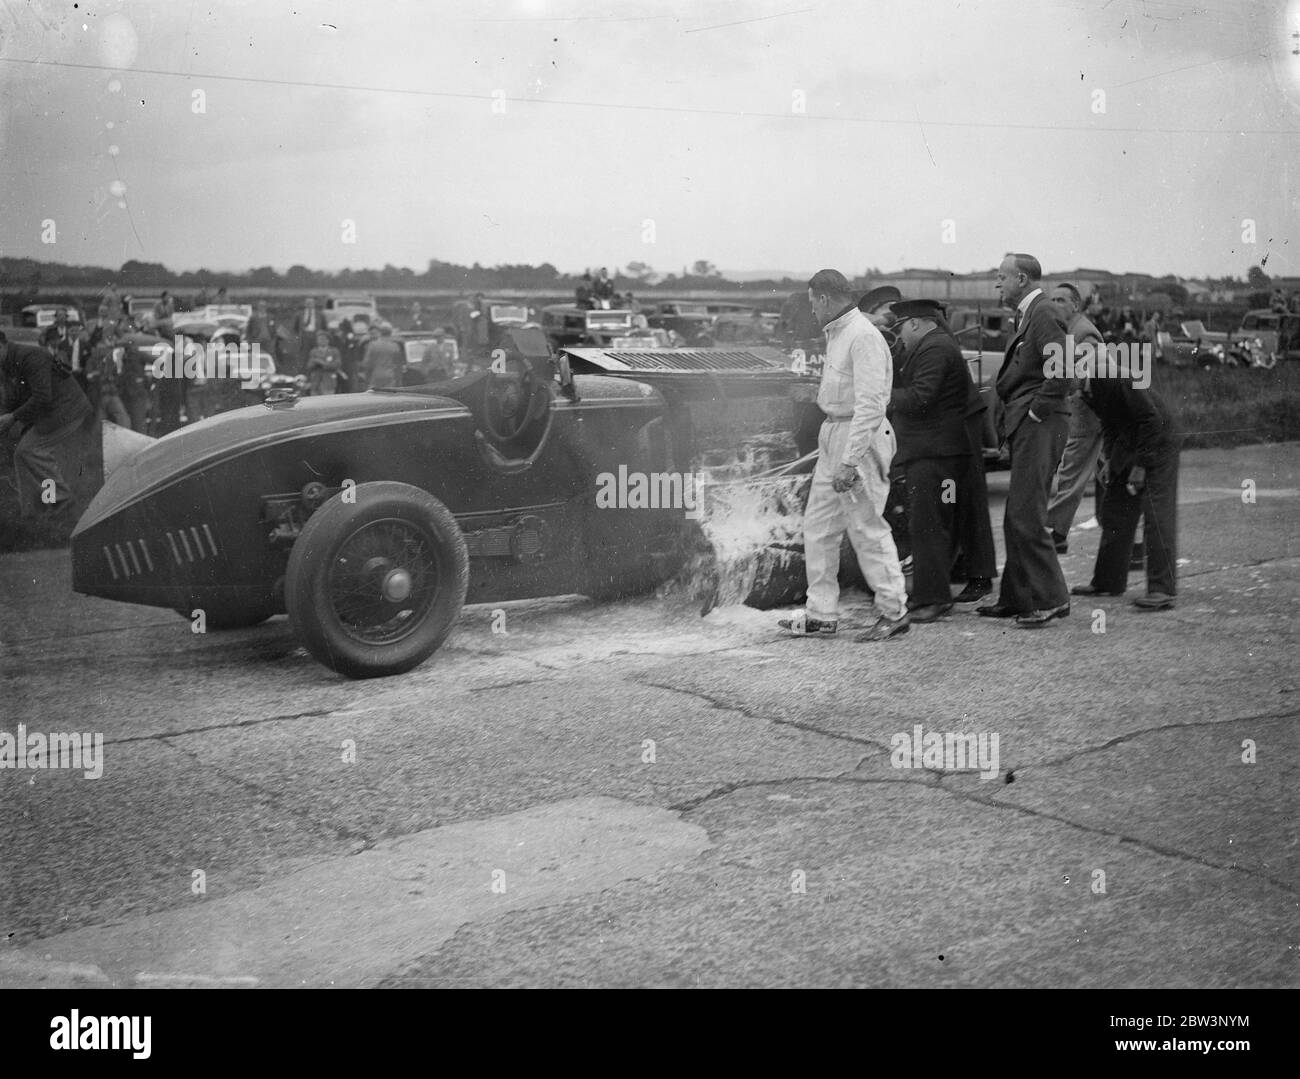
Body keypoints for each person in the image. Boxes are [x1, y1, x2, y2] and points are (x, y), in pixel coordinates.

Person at [777, 269, 909, 642]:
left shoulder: (862, 336)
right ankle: (821, 613)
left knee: (866, 528)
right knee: (819, 526)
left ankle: (894, 610)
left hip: (859, 437)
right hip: (836, 432)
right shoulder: (840, 333)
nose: (812, 312)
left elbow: (871, 403)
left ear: (822, 298)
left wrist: (850, 461)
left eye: (811, 303)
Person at [977, 252, 1071, 627]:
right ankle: (1018, 597)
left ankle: (1051, 598)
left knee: (1026, 514)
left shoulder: (1044, 312)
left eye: (1002, 277)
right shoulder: (1030, 314)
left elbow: (1061, 369)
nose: (997, 284)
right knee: (1018, 512)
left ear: (1022, 279)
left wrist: (1036, 411)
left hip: (1040, 423)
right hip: (1029, 423)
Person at [887, 299, 976, 622]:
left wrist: (878, 393)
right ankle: (930, 593)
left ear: (914, 323)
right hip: (940, 452)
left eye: (901, 329)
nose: (901, 336)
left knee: (927, 525)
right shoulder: (937, 345)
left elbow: (920, 397)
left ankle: (934, 598)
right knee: (933, 524)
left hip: (933, 454)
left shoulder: (935, 349)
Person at [1070, 371, 1180, 610]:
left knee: (1156, 514)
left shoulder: (1114, 379)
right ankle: (1108, 582)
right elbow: (1109, 424)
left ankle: (1162, 589)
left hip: (1159, 440)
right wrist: (1110, 460)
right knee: (1116, 508)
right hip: (1133, 440)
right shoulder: (1087, 390)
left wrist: (1140, 467)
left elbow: (1152, 420)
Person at [0, 332, 93, 518]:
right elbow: (12, 398)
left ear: (2, 344)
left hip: (67, 411)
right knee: (22, 455)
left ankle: (61, 501)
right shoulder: (7, 362)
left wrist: (12, 418)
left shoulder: (30, 357)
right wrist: (6, 418)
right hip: (53, 413)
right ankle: (33, 511)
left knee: (30, 451)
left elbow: (43, 397)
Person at [1046, 282, 1105, 551]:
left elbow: (1082, 378)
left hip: (1086, 415)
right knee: (1106, 475)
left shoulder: (1084, 333)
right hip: (1082, 412)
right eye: (1053, 300)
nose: (1055, 304)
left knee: (1071, 471)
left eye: (1061, 300)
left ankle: (1057, 533)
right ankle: (1130, 540)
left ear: (1076, 305)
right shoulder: (1067, 330)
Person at [86, 322, 131, 427]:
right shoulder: (94, 359)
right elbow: (89, 376)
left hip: (112, 392)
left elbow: (119, 372)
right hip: (100, 393)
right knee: (100, 421)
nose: (103, 350)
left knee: (120, 418)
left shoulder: (114, 356)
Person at [361, 323, 404, 389]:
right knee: (388, 396)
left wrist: (366, 378)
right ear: (390, 333)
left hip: (376, 376)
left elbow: (367, 363)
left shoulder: (372, 345)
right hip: (390, 376)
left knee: (375, 396)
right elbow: (398, 365)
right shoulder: (395, 346)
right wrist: (399, 381)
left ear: (380, 332)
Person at [305, 331, 344, 395]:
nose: (321, 341)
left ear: (328, 340)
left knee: (328, 401)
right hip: (315, 383)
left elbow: (337, 364)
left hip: (329, 382)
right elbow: (309, 366)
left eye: (323, 339)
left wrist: (322, 363)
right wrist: (315, 362)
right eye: (319, 339)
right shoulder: (314, 351)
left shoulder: (334, 351)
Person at [292, 298, 322, 374]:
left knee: (316, 355)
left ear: (314, 304)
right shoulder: (299, 314)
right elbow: (295, 327)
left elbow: (324, 327)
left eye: (311, 303)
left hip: (316, 336)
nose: (309, 305)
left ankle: (316, 371)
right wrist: (299, 336)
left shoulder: (319, 314)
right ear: (305, 304)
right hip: (304, 337)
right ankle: (304, 373)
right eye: (308, 303)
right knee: (304, 356)